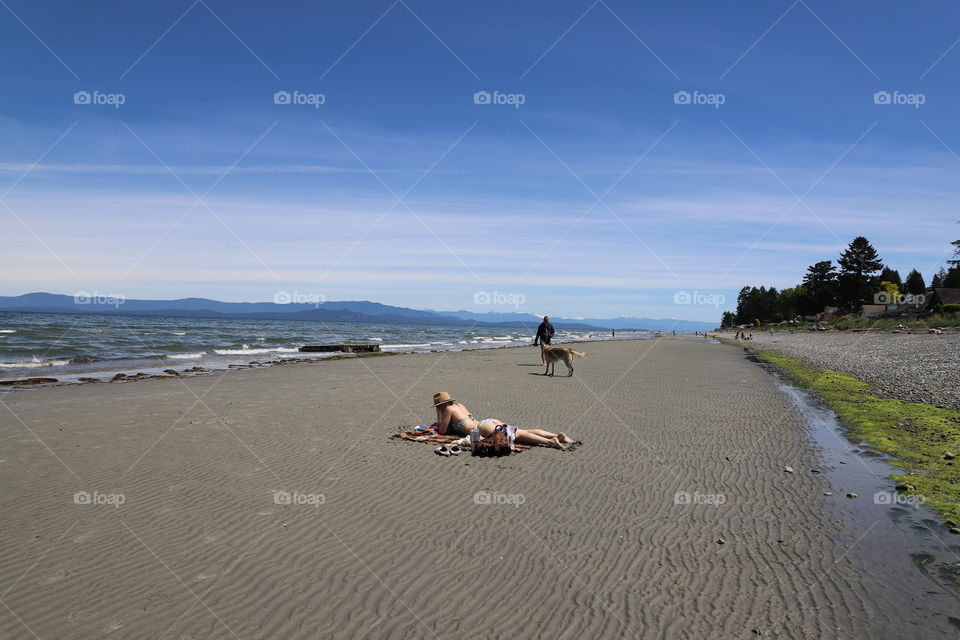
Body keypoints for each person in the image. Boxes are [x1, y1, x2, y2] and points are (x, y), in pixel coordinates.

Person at [429, 392, 573, 450]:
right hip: (488, 421)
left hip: (483, 428)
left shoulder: (448, 410)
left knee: (519, 436)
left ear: (440, 405)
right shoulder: (459, 405)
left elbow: (442, 431)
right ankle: (558, 435)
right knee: (521, 431)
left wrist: (439, 416)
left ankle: (551, 442)